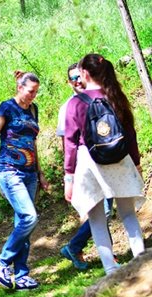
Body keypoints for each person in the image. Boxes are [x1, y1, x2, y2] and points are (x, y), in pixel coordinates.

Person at [64, 53, 144, 276]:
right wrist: (136, 163)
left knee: (97, 219)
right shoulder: (115, 96)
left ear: (85, 74)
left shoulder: (75, 104)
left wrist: (68, 177)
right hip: (119, 158)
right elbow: (130, 133)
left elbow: (70, 143)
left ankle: (111, 270)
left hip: (90, 163)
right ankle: (140, 261)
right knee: (128, 215)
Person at [0, 70, 49, 290]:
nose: (33, 95)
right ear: (19, 87)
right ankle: (2, 262)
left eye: (36, 92)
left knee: (23, 222)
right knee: (29, 217)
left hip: (30, 173)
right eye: (30, 91)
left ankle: (22, 274)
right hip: (9, 170)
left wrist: (40, 173)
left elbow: (32, 143)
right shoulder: (6, 107)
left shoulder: (34, 109)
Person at [56, 63, 114, 271]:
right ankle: (76, 246)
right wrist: (69, 174)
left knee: (104, 209)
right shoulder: (67, 107)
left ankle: (88, 249)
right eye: (72, 78)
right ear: (68, 82)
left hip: (105, 161)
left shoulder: (97, 97)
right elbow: (67, 144)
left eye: (79, 76)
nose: (77, 81)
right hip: (84, 167)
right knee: (103, 211)